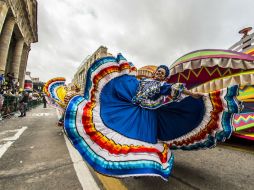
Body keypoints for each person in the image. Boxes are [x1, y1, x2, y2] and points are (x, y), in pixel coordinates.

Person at [45, 54, 242, 180]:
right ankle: (134, 168)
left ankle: (141, 167)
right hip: (132, 110)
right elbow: (128, 86)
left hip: (148, 116)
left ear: (164, 76)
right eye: (158, 71)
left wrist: (194, 95)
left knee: (143, 141)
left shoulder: (164, 86)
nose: (158, 74)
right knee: (116, 131)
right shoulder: (142, 80)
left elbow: (176, 89)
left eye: (162, 73)